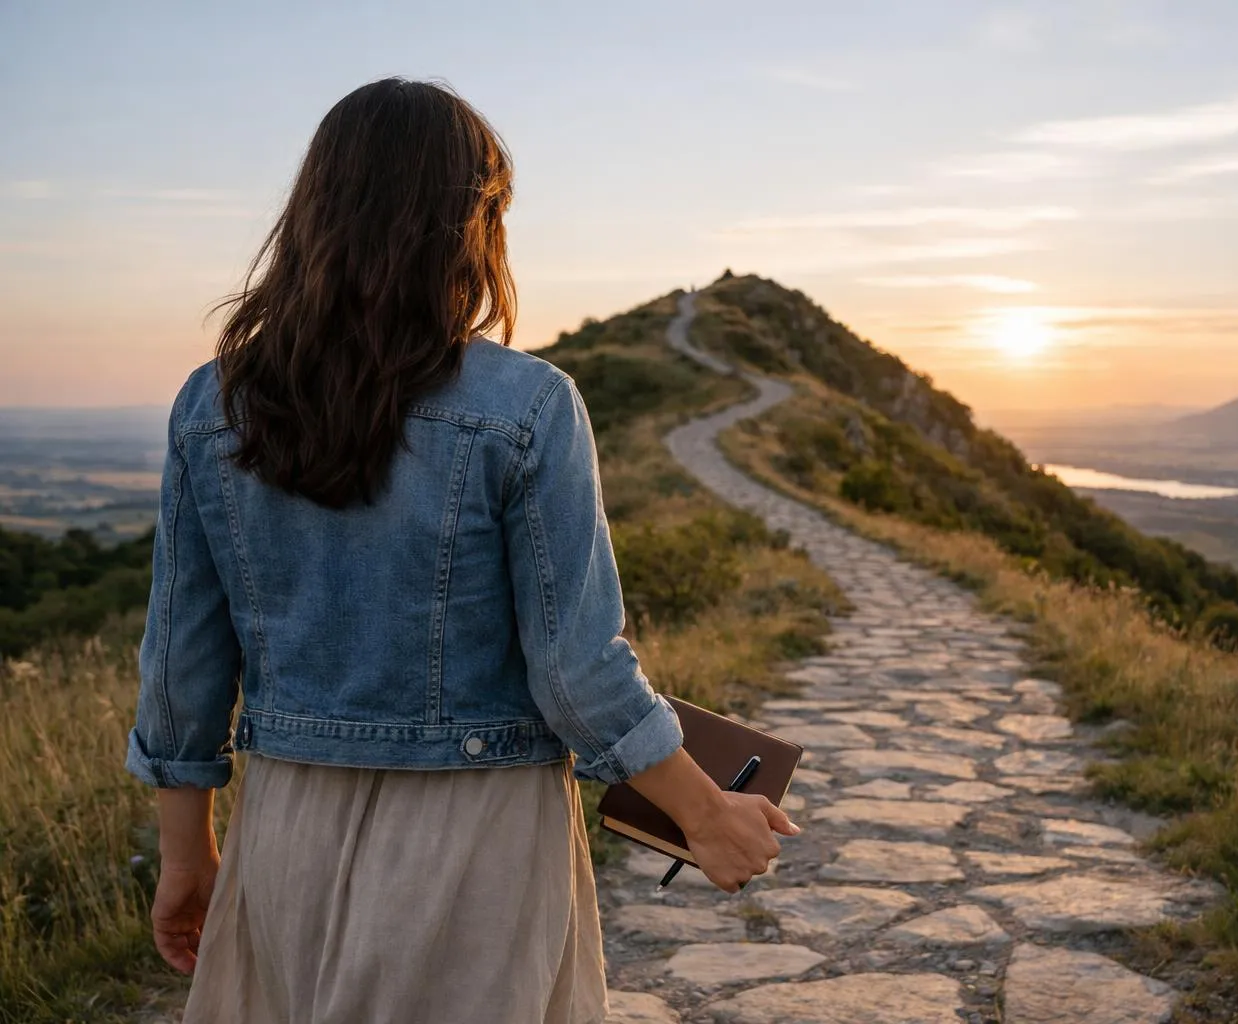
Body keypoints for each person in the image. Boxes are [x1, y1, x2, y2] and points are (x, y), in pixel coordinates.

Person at [124, 77, 796, 1023]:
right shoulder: (526, 407)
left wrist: (188, 859)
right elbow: (574, 671)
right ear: (471, 223)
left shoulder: (215, 404)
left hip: (285, 831)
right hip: (477, 833)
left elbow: (181, 671)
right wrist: (705, 812)